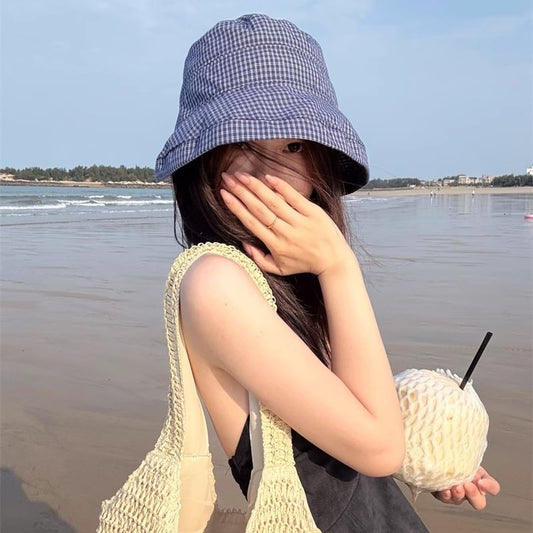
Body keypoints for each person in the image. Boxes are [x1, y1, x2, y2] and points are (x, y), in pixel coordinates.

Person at [155, 14, 499, 531]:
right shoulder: (215, 282)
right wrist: (339, 265)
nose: (271, 173)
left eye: (293, 146)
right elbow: (378, 448)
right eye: (244, 143)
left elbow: (358, 427)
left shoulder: (281, 275)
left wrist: (433, 457)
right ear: (202, 159)